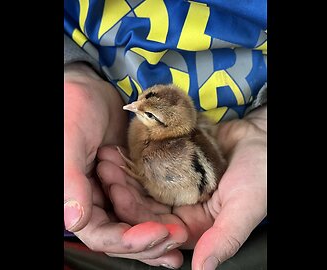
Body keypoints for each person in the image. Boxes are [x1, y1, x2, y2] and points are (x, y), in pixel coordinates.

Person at [64, 1, 267, 269]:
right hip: (86, 230)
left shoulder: (155, 149)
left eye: (146, 114)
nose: (136, 107)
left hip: (253, 216)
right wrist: (73, 72)